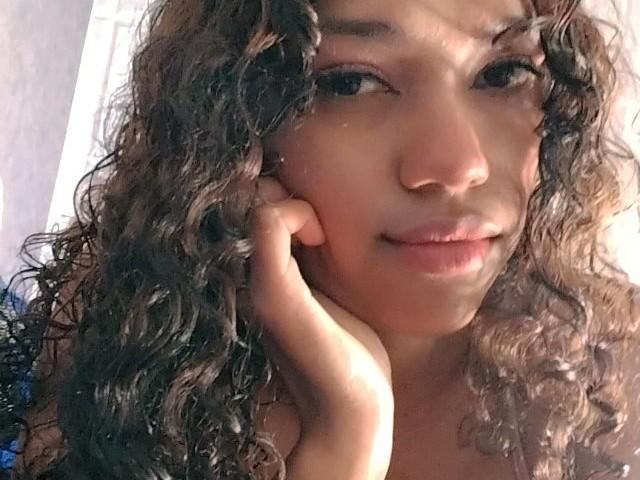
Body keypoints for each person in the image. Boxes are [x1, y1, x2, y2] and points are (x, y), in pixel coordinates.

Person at [2, 0, 640, 479]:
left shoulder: (618, 385)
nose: (458, 166)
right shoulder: (127, 319)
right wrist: (344, 440)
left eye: (502, 74)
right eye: (350, 83)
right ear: (235, 126)